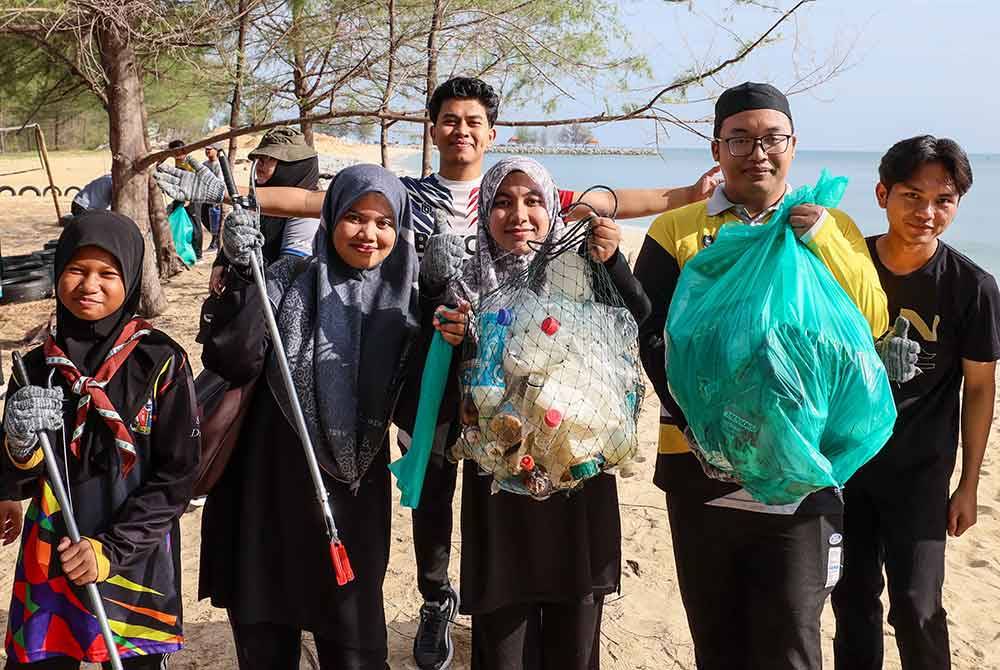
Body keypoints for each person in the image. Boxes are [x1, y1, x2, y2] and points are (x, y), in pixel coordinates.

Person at [152, 77, 720, 670]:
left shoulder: (537, 218)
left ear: (491, 133)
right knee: (432, 498)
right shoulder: (409, 196)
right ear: (433, 128)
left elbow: (612, 209)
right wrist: (232, 201)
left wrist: (688, 192)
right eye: (450, 119)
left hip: (525, 428)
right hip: (442, 373)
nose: (462, 131)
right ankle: (434, 597)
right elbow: (323, 202)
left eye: (474, 121)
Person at [633, 81, 891, 670]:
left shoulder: (835, 227)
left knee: (793, 638)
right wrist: (712, 423)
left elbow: (872, 323)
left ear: (793, 146)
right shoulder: (678, 229)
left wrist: (822, 238)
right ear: (717, 149)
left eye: (772, 138)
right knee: (717, 637)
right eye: (741, 139)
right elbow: (649, 334)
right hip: (701, 468)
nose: (758, 152)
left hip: (805, 472)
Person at [196, 164, 461, 669]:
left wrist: (438, 302)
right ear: (332, 217)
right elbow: (231, 357)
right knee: (267, 645)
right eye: (355, 218)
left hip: (350, 506)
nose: (369, 233)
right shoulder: (283, 279)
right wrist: (236, 269)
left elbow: (420, 410)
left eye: (384, 223)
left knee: (356, 649)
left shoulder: (405, 305)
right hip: (265, 498)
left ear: (400, 229)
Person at [419, 156, 649, 669]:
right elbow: (439, 380)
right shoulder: (469, 282)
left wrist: (614, 262)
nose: (517, 214)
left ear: (552, 208)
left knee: (574, 634)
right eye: (501, 201)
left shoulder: (580, 266)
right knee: (503, 636)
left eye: (532, 201)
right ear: (484, 212)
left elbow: (640, 318)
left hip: (577, 479)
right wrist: (441, 320)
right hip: (498, 486)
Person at [0, 211, 200, 668]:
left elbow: (178, 476)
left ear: (129, 278)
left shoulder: (161, 362)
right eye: (77, 269)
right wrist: (16, 456)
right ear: (58, 272)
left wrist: (113, 547)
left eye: (108, 273)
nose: (90, 284)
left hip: (135, 554)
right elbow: (22, 468)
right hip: (54, 546)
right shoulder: (33, 368)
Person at [831, 136, 1000, 670]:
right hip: (846, 468)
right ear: (882, 194)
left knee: (917, 606)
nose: (927, 213)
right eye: (911, 195)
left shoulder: (971, 287)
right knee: (851, 601)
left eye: (943, 199)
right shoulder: (845, 268)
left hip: (921, 474)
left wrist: (968, 485)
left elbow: (979, 388)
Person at [207, 126, 321, 293]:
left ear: (290, 167)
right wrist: (222, 261)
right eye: (258, 158)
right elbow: (243, 232)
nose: (258, 165)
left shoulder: (305, 213)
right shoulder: (260, 196)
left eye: (267, 159)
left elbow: (286, 275)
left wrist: (243, 266)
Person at [168, 139, 204, 261]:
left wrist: (188, 199)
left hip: (192, 197)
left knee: (195, 225)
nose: (174, 154)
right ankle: (184, 251)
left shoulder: (188, 163)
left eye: (175, 152)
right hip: (181, 197)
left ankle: (198, 255)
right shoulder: (178, 162)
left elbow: (194, 182)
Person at [202, 145, 223, 251]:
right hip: (205, 196)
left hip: (215, 196)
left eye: (210, 149)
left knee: (215, 219)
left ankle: (215, 241)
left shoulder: (219, 165)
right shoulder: (204, 164)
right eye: (206, 149)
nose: (207, 151)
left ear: (216, 150)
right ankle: (214, 238)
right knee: (204, 217)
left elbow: (220, 181)